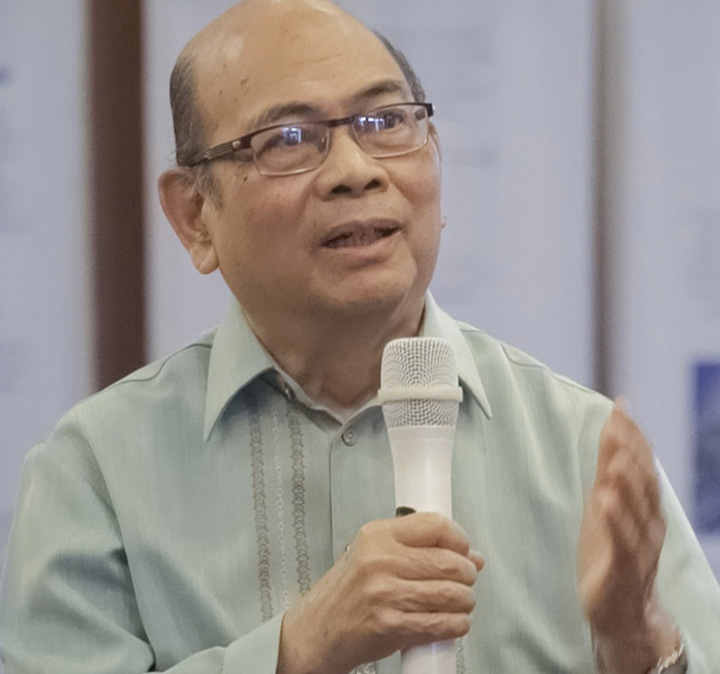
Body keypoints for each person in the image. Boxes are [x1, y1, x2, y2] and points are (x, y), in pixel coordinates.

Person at [1, 1, 719, 672]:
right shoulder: (96, 470)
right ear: (194, 216)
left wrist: (640, 640)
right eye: (289, 139)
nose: (355, 171)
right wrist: (298, 648)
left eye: (386, 123)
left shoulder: (581, 447)